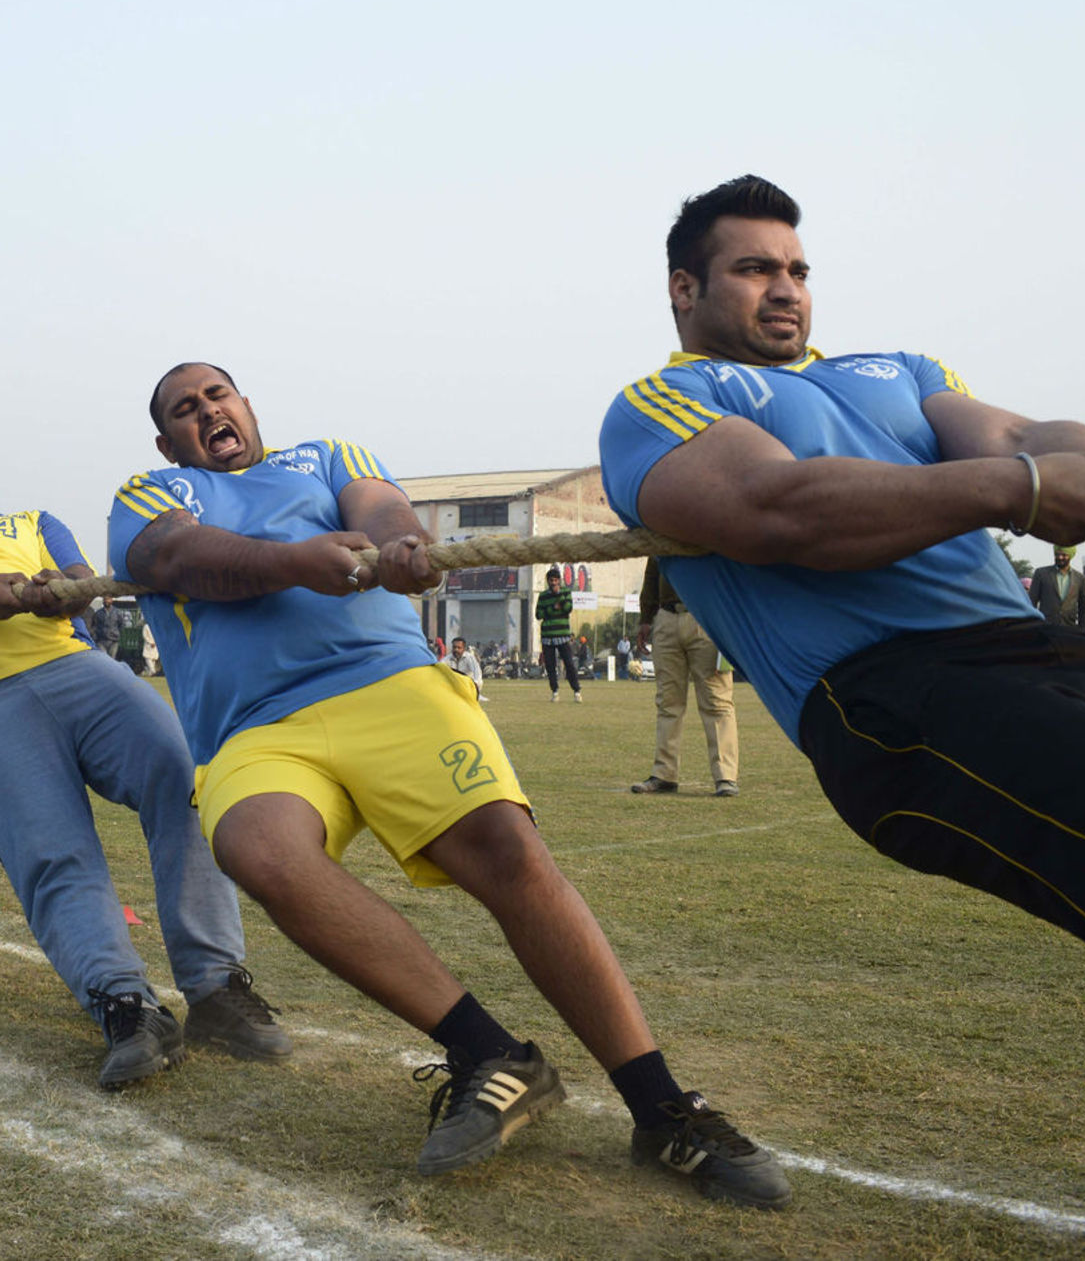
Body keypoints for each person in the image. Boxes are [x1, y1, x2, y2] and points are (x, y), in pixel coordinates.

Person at [597, 174, 1085, 1235]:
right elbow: (777, 509)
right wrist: (1011, 490)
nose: (782, 290)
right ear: (682, 287)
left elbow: (1030, 433)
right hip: (888, 694)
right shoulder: (663, 403)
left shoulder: (898, 371)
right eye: (752, 269)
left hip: (1034, 648)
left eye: (794, 269)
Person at [108, 361, 790, 1206]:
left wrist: (400, 545)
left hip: (390, 683)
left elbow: (383, 509)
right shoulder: (150, 491)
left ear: (247, 406)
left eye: (218, 394)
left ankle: (661, 1109)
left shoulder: (324, 454)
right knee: (255, 847)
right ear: (166, 437)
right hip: (256, 728)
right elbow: (173, 555)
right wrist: (295, 561)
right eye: (185, 407)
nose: (207, 410)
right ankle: (492, 1056)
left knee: (509, 852)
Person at [0, 431, 290, 1086]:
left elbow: (80, 578)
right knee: (52, 852)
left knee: (188, 783)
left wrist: (65, 590)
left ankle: (215, 988)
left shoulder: (35, 522)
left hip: (83, 673)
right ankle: (126, 1007)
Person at [630, 560, 739, 797]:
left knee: (717, 701)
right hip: (666, 617)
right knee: (668, 703)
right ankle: (664, 774)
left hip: (707, 616)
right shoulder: (660, 527)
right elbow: (652, 572)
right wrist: (646, 618)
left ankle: (726, 777)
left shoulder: (716, 527)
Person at [534, 568, 582, 702]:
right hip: (547, 636)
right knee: (550, 665)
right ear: (548, 581)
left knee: (569, 663)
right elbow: (539, 615)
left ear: (559, 581)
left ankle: (576, 691)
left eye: (556, 580)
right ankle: (555, 692)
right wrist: (553, 608)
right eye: (551, 580)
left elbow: (568, 608)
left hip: (562, 635)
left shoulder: (566, 592)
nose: (553, 583)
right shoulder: (543, 596)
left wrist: (558, 598)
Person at [1027, 545, 1085, 630]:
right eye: (1057, 554)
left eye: (1064, 555)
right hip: (1046, 626)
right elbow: (1032, 600)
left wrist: (1082, 630)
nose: (1060, 557)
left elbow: (1083, 606)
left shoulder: (1079, 578)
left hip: (1069, 627)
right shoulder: (1041, 574)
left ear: (1070, 556)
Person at [443, 635, 486, 700]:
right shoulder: (447, 659)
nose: (456, 650)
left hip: (468, 686)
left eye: (459, 647)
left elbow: (477, 672)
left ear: (464, 649)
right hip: (454, 686)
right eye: (454, 647)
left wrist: (476, 684)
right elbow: (439, 667)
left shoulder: (469, 658)